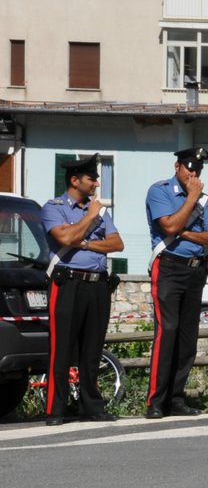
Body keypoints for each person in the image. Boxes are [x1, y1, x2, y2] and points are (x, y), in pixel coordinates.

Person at [41, 154, 124, 424]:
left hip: (97, 285)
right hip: (69, 283)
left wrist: (86, 243)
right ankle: (56, 408)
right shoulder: (53, 208)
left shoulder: (100, 210)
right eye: (92, 179)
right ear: (75, 180)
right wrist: (89, 219)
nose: (96, 184)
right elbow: (65, 238)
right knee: (62, 348)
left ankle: (92, 405)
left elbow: (116, 243)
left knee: (92, 349)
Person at [145, 145, 208, 419]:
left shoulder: (203, 199)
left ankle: (176, 398)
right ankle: (155, 401)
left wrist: (187, 234)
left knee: (187, 339)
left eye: (198, 170)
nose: (194, 173)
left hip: (194, 271)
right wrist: (191, 197)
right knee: (167, 333)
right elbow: (169, 227)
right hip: (168, 268)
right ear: (177, 167)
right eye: (189, 168)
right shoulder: (160, 191)